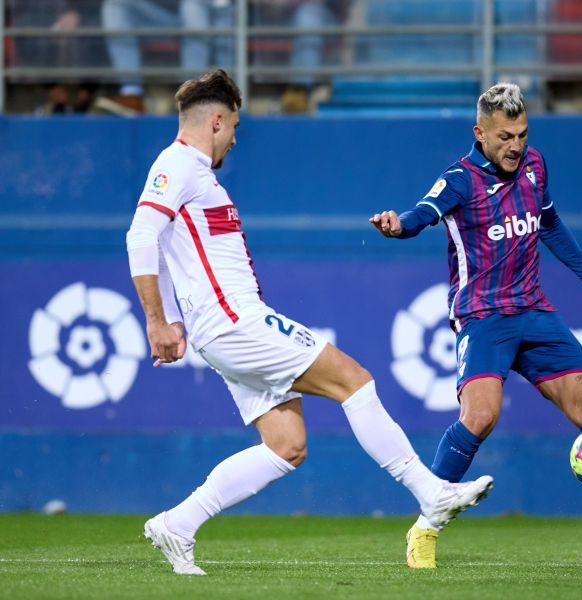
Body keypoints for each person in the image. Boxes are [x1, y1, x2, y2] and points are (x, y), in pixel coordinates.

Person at [126, 69, 493, 576]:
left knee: (286, 446)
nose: (235, 138)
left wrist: (171, 317)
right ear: (215, 120)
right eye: (233, 125)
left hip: (222, 326)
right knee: (354, 381)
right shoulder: (178, 164)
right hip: (234, 321)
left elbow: (168, 249)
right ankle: (431, 494)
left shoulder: (193, 174)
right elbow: (141, 236)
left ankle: (178, 524)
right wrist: (157, 320)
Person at [369, 82, 582, 569]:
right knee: (480, 416)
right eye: (505, 136)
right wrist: (399, 226)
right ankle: (426, 526)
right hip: (482, 315)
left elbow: (549, 224)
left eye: (521, 134)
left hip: (533, 309)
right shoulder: (459, 180)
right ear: (479, 133)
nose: (516, 146)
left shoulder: (536, 166)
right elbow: (422, 213)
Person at [100, 0, 233, 114]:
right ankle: (131, 94)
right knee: (116, 4)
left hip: (201, 11)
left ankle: (191, 96)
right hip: (161, 14)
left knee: (193, 6)